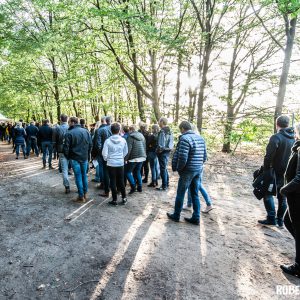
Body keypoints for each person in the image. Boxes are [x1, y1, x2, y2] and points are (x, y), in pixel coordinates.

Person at [167, 121, 207, 225]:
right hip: (198, 169)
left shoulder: (184, 138)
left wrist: (179, 169)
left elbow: (183, 158)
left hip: (187, 171)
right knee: (195, 194)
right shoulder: (201, 138)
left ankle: (176, 215)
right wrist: (198, 165)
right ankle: (196, 217)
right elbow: (204, 156)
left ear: (182, 129)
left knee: (180, 193)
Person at [258, 115, 294, 227]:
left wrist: (266, 169)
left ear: (276, 124)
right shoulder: (294, 138)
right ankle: (280, 221)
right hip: (287, 173)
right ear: (287, 125)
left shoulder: (276, 137)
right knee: (282, 195)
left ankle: (271, 218)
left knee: (267, 193)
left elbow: (268, 156)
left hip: (273, 171)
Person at [280, 123, 300, 278]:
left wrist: (283, 189)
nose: (294, 134)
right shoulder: (297, 146)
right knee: (287, 220)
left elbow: (299, 178)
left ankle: (298, 267)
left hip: (297, 196)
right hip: (294, 195)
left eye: (296, 131)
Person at [63, 117, 92, 202]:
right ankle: (85, 193)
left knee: (78, 176)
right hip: (84, 157)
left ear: (72, 122)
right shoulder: (86, 131)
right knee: (84, 175)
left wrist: (68, 157)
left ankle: (81, 196)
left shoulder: (69, 133)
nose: (68, 123)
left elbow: (66, 148)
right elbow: (90, 145)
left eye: (69, 122)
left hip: (75, 158)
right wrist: (87, 154)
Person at [102, 122, 128, 205]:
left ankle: (114, 200)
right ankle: (124, 198)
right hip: (120, 162)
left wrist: (107, 159)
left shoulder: (107, 141)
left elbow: (104, 153)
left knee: (112, 181)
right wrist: (121, 157)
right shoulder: (123, 140)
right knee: (121, 180)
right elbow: (126, 151)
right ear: (119, 130)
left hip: (111, 163)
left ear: (111, 130)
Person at [125, 125, 147, 194]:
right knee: (137, 171)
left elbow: (128, 149)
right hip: (142, 157)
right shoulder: (142, 136)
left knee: (127, 172)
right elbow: (144, 146)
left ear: (130, 130)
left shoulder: (130, 137)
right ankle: (140, 187)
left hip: (133, 158)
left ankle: (133, 186)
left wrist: (125, 159)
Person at [54, 114, 70, 194]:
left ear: (60, 119)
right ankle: (80, 188)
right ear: (67, 119)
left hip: (61, 151)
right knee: (76, 169)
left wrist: (56, 150)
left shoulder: (57, 128)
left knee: (64, 169)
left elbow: (55, 141)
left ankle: (67, 186)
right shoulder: (70, 127)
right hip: (71, 151)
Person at [156, 117, 174, 191]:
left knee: (162, 169)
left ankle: (164, 186)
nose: (158, 123)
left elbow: (161, 144)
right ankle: (166, 183)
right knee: (164, 168)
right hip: (167, 151)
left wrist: (159, 151)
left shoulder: (162, 131)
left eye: (159, 121)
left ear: (162, 122)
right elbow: (171, 144)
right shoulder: (170, 131)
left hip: (162, 152)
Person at [98, 116, 112, 197]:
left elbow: (98, 144)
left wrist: (102, 153)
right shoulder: (116, 128)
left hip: (105, 155)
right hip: (114, 155)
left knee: (106, 172)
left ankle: (107, 191)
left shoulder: (102, 130)